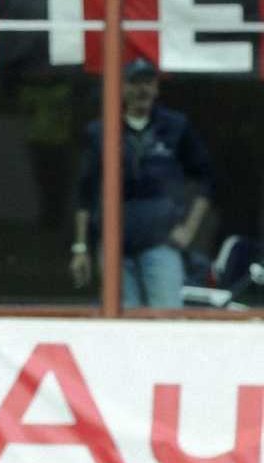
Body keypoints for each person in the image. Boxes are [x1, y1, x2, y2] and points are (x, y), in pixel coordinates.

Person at [70, 57, 213, 309]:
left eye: (148, 83)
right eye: (134, 83)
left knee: (167, 316)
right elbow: (84, 193)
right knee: (122, 320)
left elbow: (205, 179)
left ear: (156, 88)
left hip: (161, 245)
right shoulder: (100, 131)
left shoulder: (175, 127)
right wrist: (80, 248)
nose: (142, 90)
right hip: (114, 246)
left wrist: (189, 230)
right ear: (121, 88)